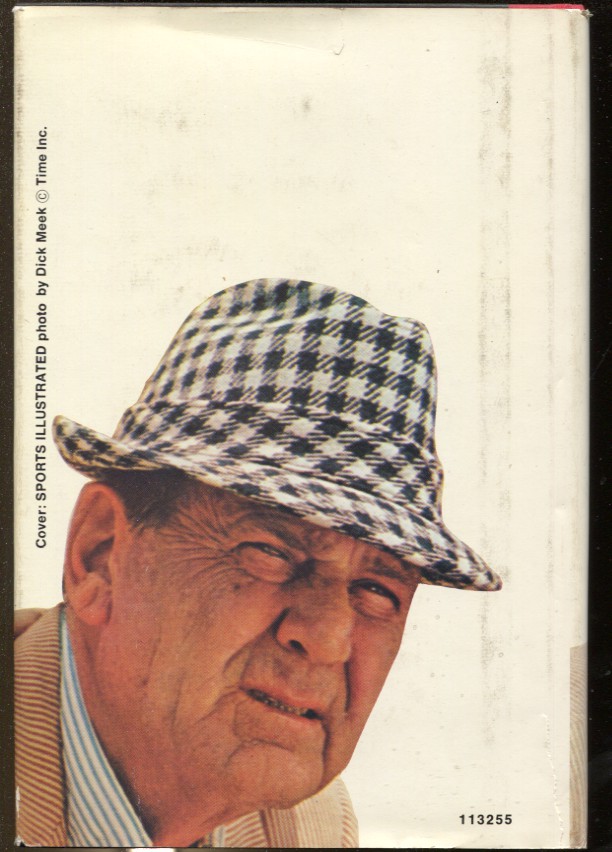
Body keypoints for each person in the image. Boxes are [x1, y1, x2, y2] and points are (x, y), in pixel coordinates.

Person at [15, 278, 502, 847]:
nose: (329, 639)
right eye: (271, 553)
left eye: (377, 591)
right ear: (99, 556)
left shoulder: (313, 827)